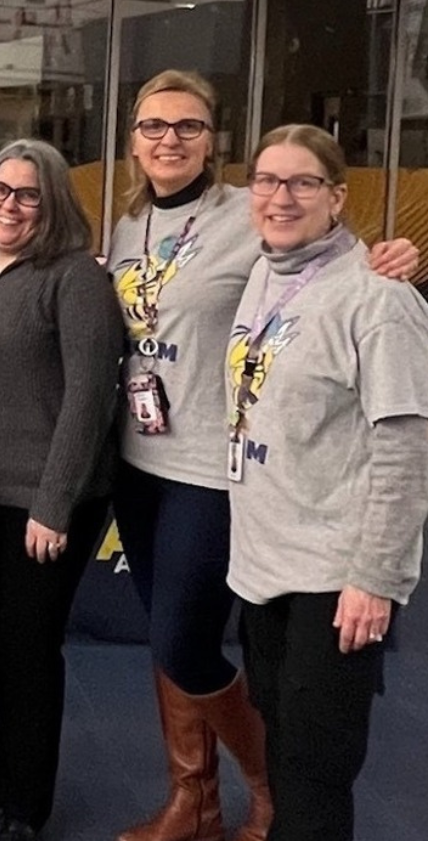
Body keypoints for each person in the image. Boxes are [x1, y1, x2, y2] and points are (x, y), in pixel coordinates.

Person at [106, 70, 419, 841]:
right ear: (133, 139)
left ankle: (263, 783)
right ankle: (197, 799)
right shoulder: (124, 225)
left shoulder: (251, 220)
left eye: (187, 126)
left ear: (215, 141)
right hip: (143, 457)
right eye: (153, 126)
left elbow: (334, 268)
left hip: (217, 467)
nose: (168, 140)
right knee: (170, 640)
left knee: (188, 640)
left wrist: (395, 260)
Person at [225, 124, 428, 841]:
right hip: (264, 566)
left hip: (337, 578)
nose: (282, 197)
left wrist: (374, 576)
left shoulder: (379, 297)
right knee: (286, 756)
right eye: (268, 181)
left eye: (303, 182)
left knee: (315, 772)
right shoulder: (264, 271)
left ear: (338, 196)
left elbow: (405, 446)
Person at [0, 139, 124, 841]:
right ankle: (7, 770)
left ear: (54, 205)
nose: (9, 205)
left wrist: (53, 502)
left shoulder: (75, 279)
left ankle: (27, 803)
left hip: (46, 502)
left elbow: (90, 397)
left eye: (28, 193)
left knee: (30, 648)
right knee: (5, 645)